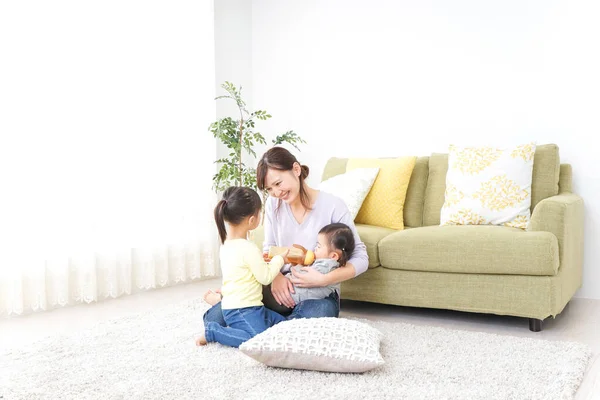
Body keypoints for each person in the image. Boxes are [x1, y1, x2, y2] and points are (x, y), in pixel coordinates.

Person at [202, 146, 369, 326]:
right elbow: (269, 250)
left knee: (318, 313)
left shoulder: (334, 206)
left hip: (317, 292)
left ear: (296, 170)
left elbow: (360, 257)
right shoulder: (273, 206)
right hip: (279, 283)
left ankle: (263, 323)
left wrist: (324, 279)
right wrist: (276, 278)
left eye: (278, 183)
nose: (276, 193)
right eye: (269, 189)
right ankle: (276, 324)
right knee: (214, 319)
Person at [195, 186, 288, 348]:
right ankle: (213, 332)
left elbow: (243, 272)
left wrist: (262, 261)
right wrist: (280, 259)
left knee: (285, 327)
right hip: (241, 309)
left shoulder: (226, 245)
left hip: (253, 308)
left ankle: (233, 325)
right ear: (252, 220)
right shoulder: (248, 248)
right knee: (258, 339)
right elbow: (265, 277)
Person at [285, 222, 356, 304]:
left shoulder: (326, 266)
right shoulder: (329, 264)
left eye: (319, 246)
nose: (315, 249)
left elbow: (300, 276)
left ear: (333, 256)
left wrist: (296, 263)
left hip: (295, 298)